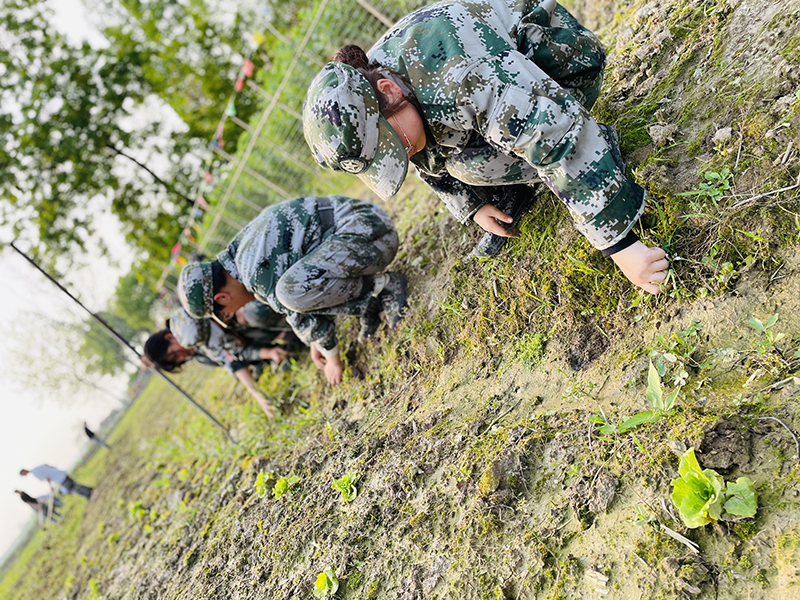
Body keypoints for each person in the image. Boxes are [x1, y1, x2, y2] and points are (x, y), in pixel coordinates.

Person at [302, 0, 668, 294]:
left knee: (472, 161)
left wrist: (620, 245)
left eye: (392, 145)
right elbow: (423, 154)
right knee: (447, 157)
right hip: (501, 87)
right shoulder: (380, 80)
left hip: (564, 64)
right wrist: (473, 205)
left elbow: (553, 131)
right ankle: (516, 190)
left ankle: (600, 150)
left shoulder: (459, 76)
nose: (401, 153)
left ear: (389, 92)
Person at [177, 195, 406, 387]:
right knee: (290, 293)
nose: (232, 313)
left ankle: (385, 285)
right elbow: (305, 307)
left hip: (375, 237)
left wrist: (333, 360)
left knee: (288, 293)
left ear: (222, 298)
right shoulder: (241, 255)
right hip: (365, 228)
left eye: (224, 312)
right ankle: (369, 304)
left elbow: (300, 313)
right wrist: (315, 343)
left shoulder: (254, 272)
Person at [144, 305, 295, 417]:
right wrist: (256, 393)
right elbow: (232, 360)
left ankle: (284, 334)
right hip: (250, 345)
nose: (182, 357)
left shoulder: (193, 326)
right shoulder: (201, 355)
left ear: (169, 337)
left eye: (174, 355)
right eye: (178, 361)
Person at [20, 465, 93, 500]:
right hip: (61, 474)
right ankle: (88, 490)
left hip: (59, 479)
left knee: (72, 488)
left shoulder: (35, 473)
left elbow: (47, 477)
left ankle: (87, 493)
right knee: (74, 485)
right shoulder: (37, 468)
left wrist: (51, 487)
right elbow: (48, 465)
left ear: (24, 472)